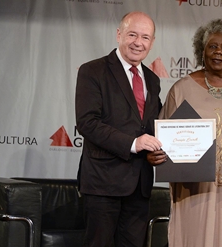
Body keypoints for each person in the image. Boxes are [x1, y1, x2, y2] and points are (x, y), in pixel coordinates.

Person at [146, 16, 222, 246]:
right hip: (192, 191)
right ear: (201, 50)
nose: (218, 52)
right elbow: (161, 139)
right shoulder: (181, 89)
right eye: (212, 46)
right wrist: (155, 154)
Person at [74, 11, 162, 247]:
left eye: (145, 37)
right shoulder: (92, 71)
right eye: (132, 34)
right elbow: (87, 122)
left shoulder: (153, 80)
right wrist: (134, 144)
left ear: (152, 42)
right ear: (119, 34)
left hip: (140, 185)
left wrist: (162, 147)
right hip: (103, 183)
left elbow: (154, 125)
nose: (138, 42)